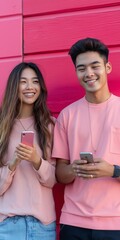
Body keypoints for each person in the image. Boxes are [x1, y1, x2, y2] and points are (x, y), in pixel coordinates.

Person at [52, 37, 120, 240]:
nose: (89, 73)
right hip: (73, 223)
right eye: (81, 68)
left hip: (116, 222)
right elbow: (60, 174)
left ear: (107, 67)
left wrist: (112, 170)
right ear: (76, 73)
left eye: (95, 66)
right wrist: (74, 168)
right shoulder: (67, 115)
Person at [0, 62, 56, 240]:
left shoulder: (50, 126)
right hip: (8, 226)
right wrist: (13, 163)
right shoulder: (2, 127)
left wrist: (36, 161)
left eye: (35, 81)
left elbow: (54, 179)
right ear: (14, 86)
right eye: (23, 82)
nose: (30, 87)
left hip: (42, 226)